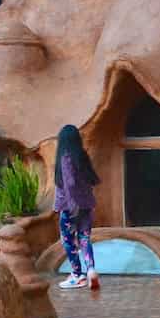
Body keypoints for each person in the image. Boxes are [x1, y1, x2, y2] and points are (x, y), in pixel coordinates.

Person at [53, 124, 101, 290]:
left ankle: (77, 275)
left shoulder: (65, 157)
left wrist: (73, 206)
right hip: (86, 205)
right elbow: (92, 180)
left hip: (70, 207)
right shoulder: (82, 156)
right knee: (84, 238)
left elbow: (70, 183)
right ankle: (91, 270)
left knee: (68, 240)